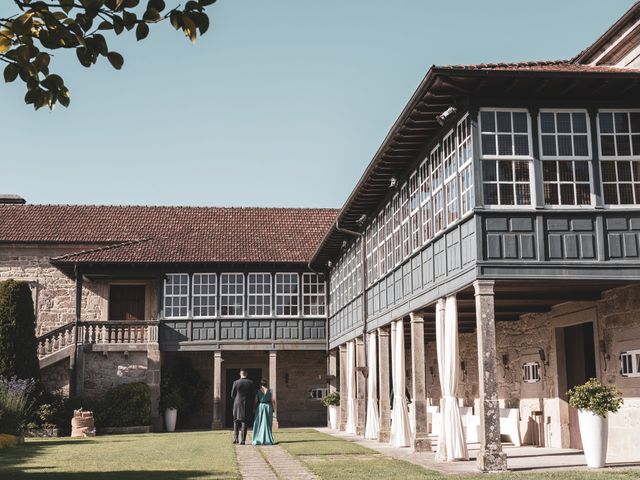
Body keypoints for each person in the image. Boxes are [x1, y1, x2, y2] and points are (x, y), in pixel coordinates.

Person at [231, 369, 255, 445]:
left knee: (235, 421)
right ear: (246, 374)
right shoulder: (250, 382)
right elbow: (253, 395)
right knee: (244, 422)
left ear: (240, 374)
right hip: (246, 404)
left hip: (237, 404)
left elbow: (232, 395)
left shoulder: (236, 382)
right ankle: (243, 440)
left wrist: (237, 399)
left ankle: (236, 439)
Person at [251, 379, 275, 445]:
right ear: (266, 384)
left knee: (258, 422)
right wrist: (273, 408)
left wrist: (254, 408)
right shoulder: (270, 391)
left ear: (261, 384)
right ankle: (267, 439)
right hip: (268, 407)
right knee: (268, 422)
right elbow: (272, 400)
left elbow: (256, 400)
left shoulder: (258, 391)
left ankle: (258, 438)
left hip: (260, 407)